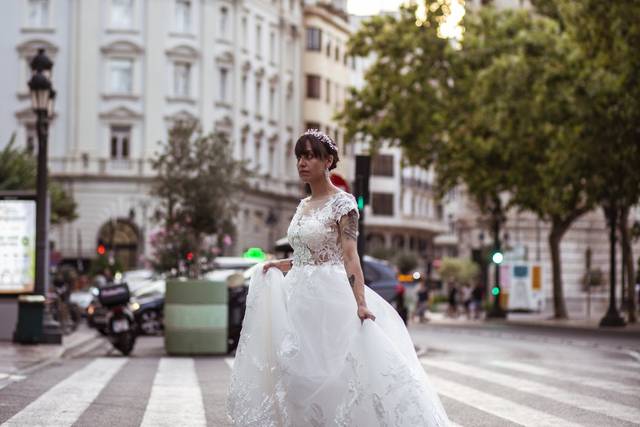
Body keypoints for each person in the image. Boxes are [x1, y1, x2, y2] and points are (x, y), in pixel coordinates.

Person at [227, 130, 449, 426]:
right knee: (293, 373)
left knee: (335, 373)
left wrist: (360, 303)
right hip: (296, 299)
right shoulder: (303, 205)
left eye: (309, 156)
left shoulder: (344, 204)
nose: (302, 163)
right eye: (299, 157)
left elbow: (348, 255)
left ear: (327, 160)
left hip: (328, 299)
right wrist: (281, 264)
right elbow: (309, 253)